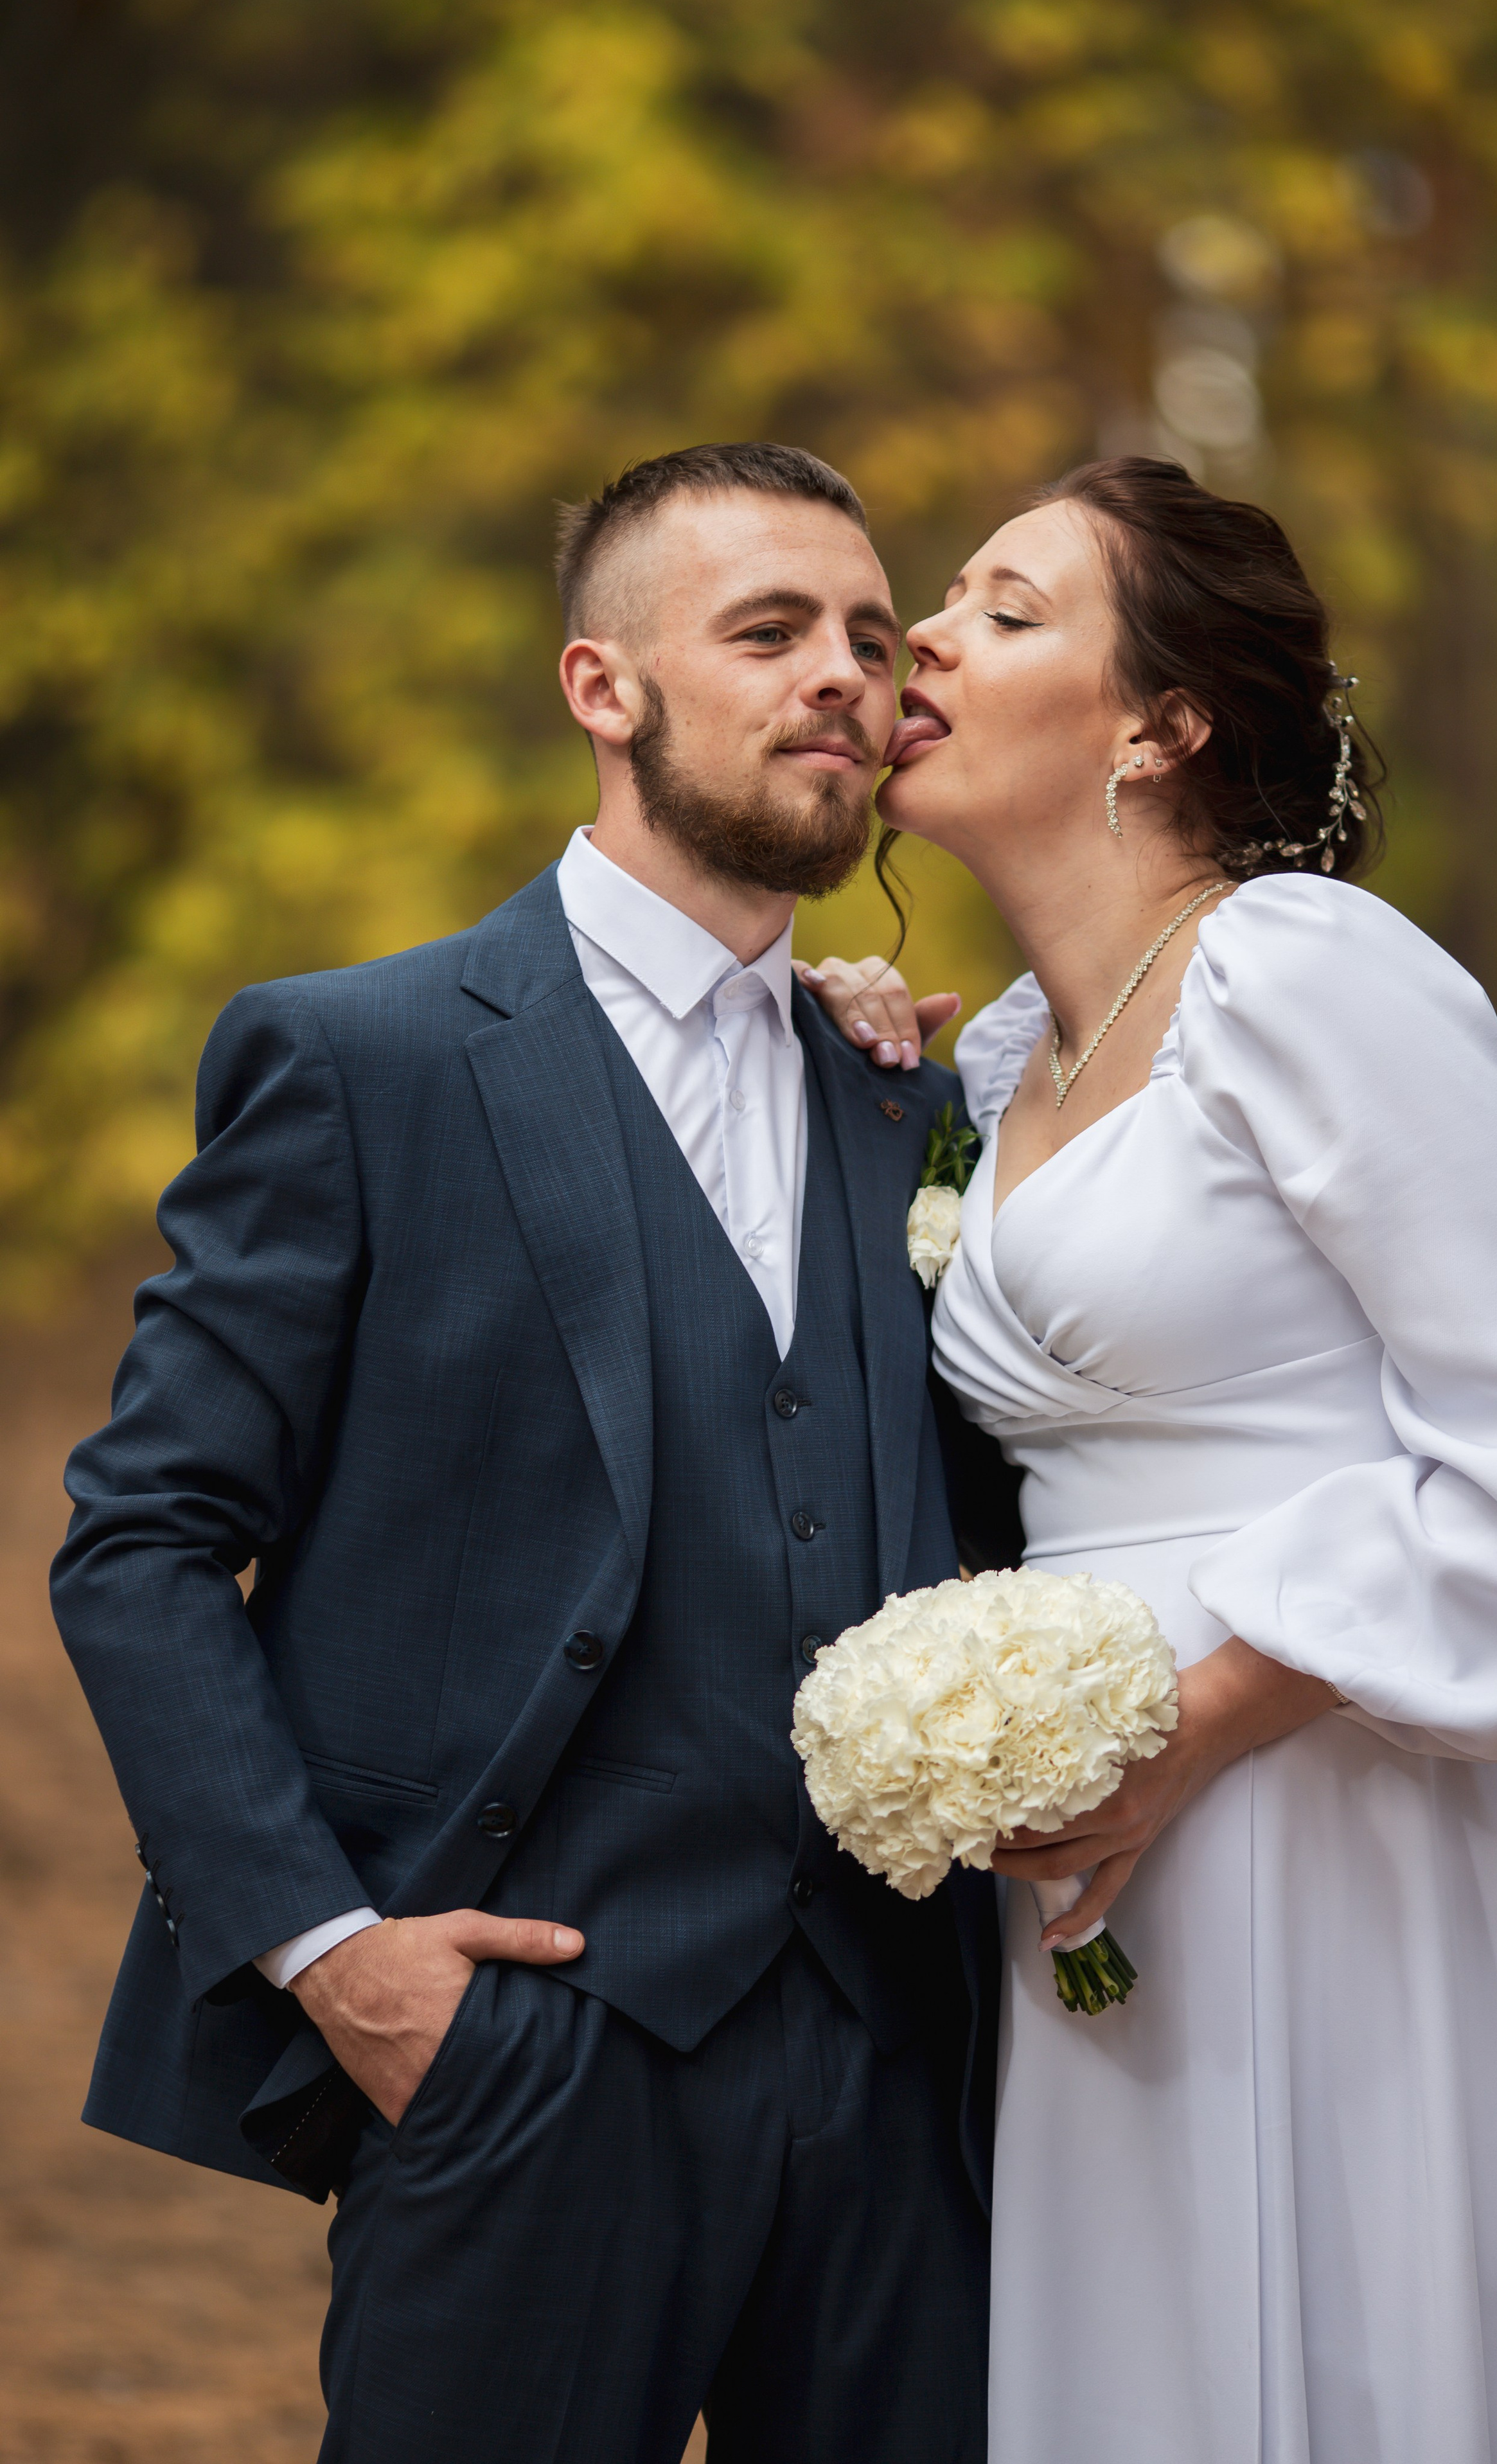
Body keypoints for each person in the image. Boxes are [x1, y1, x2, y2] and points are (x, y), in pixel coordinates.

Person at [50, 441, 1005, 2464]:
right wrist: (333, 1954)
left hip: (898, 2066)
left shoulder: (907, 1101)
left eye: (867, 634)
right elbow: (140, 1540)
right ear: (603, 686)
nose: (843, 675)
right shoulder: (364, 1060)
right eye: (768, 631)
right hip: (523, 2052)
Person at [808, 455, 1497, 2463]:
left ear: (1159, 724)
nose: (923, 637)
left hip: (1347, 1784)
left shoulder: (1303, 969)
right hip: (1080, 1825)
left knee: (1365, 2333)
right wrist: (821, 1069)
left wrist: (1196, 1727)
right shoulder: (991, 1064)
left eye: (1007, 610)